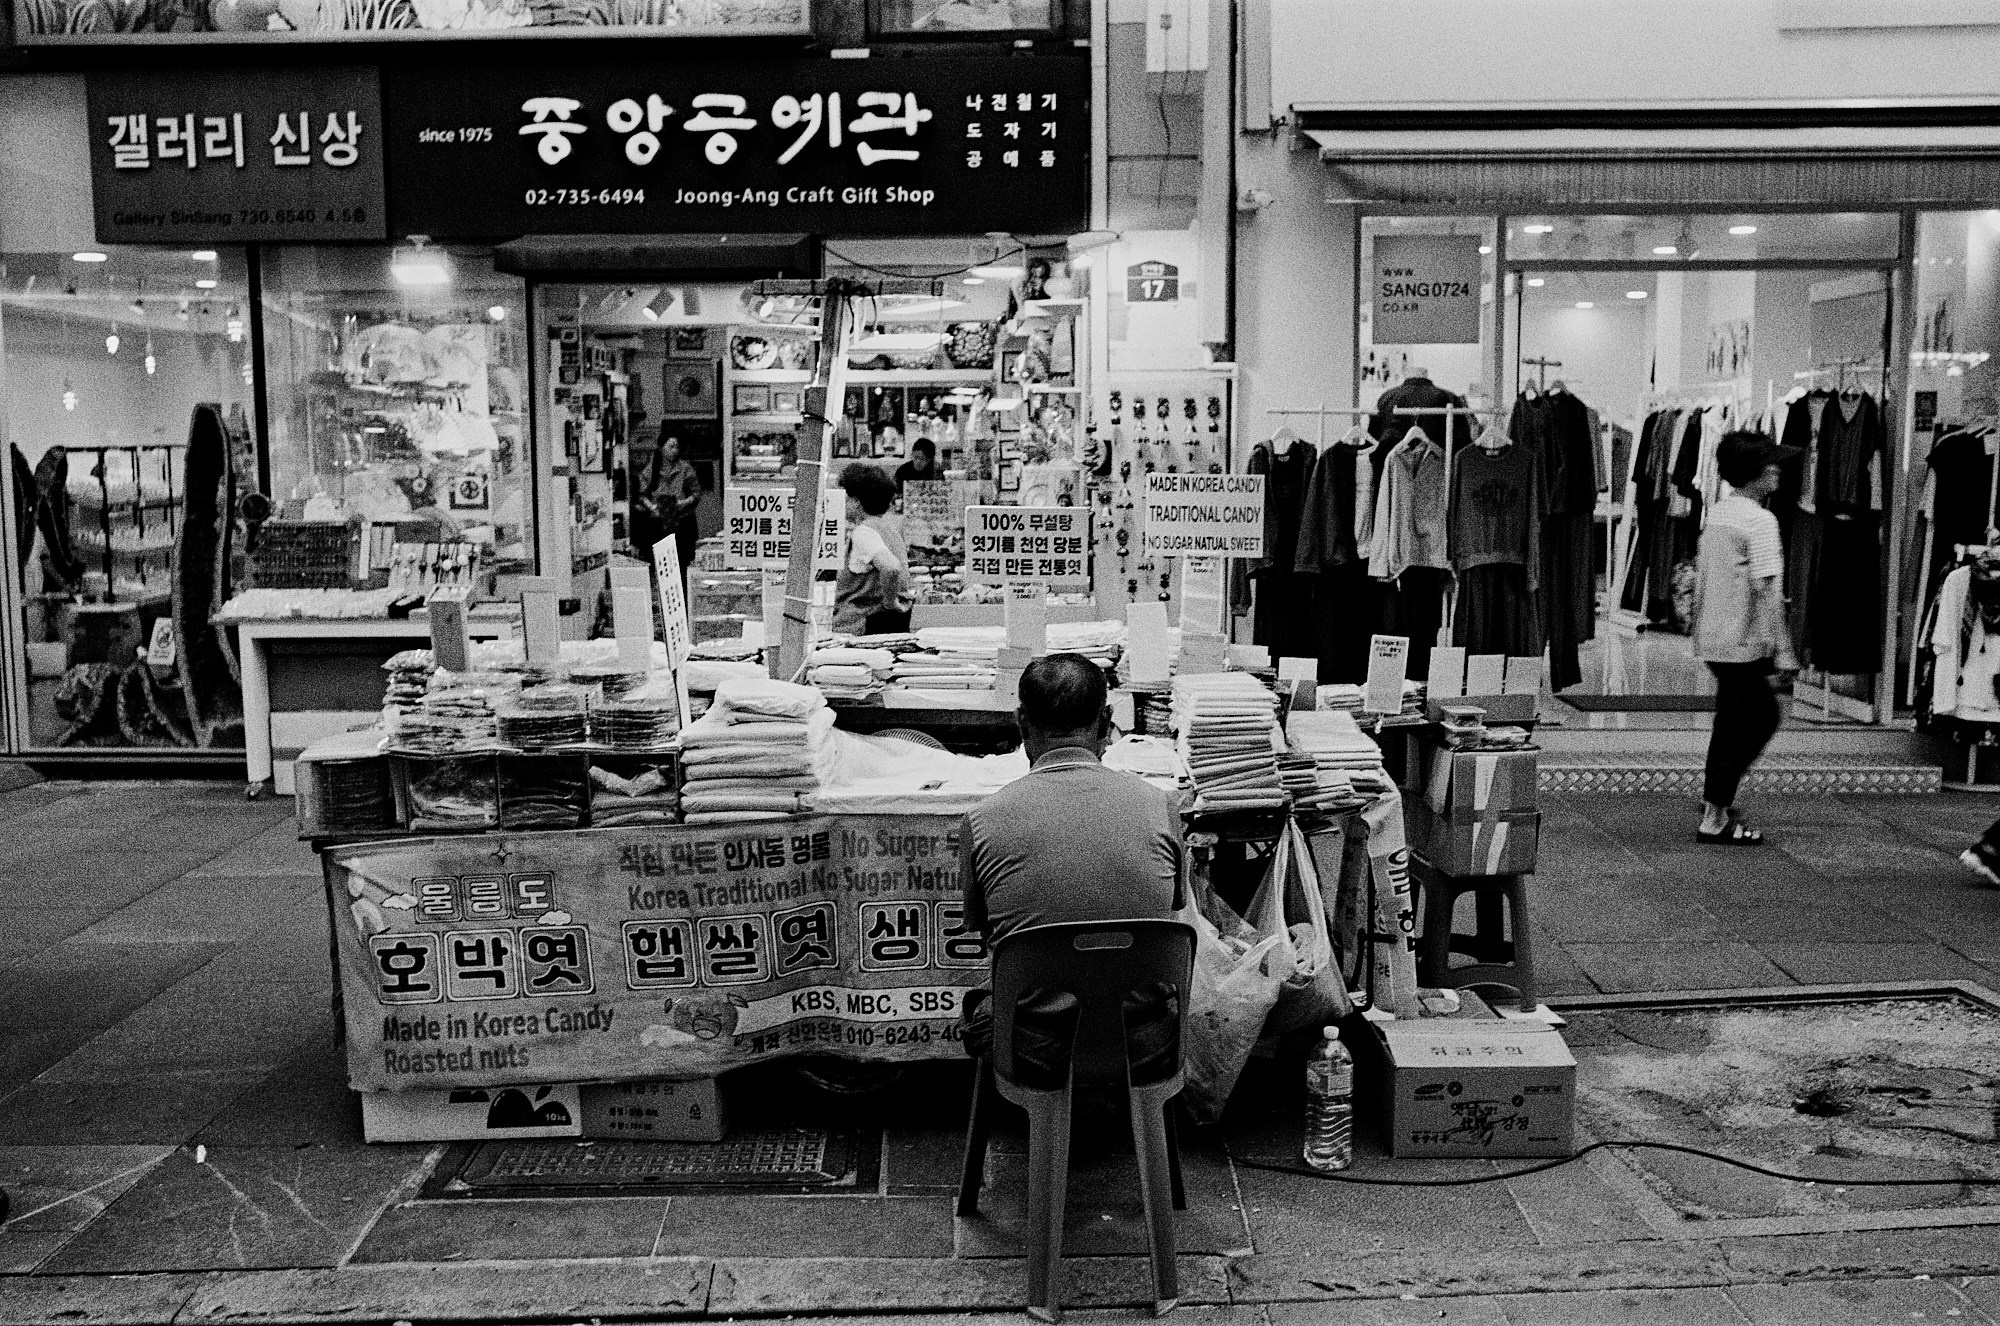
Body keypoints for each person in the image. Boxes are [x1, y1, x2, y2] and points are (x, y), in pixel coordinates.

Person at [958, 653, 1185, 1084]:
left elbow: (984, 929)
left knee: (981, 1005)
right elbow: (1172, 908)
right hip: (1146, 1044)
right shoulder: (1162, 806)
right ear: (1107, 719)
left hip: (1031, 1049)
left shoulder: (982, 819)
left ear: (1021, 721)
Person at [1692, 430, 1801, 845]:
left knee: (1736, 720)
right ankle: (1715, 812)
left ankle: (1716, 800)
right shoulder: (1759, 520)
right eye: (1770, 463)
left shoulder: (1720, 514)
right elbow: (1767, 591)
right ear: (1755, 472)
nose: (1777, 468)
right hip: (1742, 640)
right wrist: (1785, 651)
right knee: (1755, 719)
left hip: (1715, 637)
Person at [833, 462, 911, 636]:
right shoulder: (890, 530)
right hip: (890, 626)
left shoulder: (863, 532)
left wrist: (889, 603)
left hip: (861, 628)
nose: (844, 503)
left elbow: (891, 568)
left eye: (846, 497)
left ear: (856, 502)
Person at [643, 434, 702, 588]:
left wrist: (684, 503)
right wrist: (651, 507)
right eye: (671, 446)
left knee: (683, 564)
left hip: (683, 521)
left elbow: (696, 494)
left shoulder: (685, 468)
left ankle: (683, 600)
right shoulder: (651, 469)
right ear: (661, 448)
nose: (675, 450)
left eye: (677, 446)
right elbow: (642, 495)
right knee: (662, 565)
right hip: (659, 522)